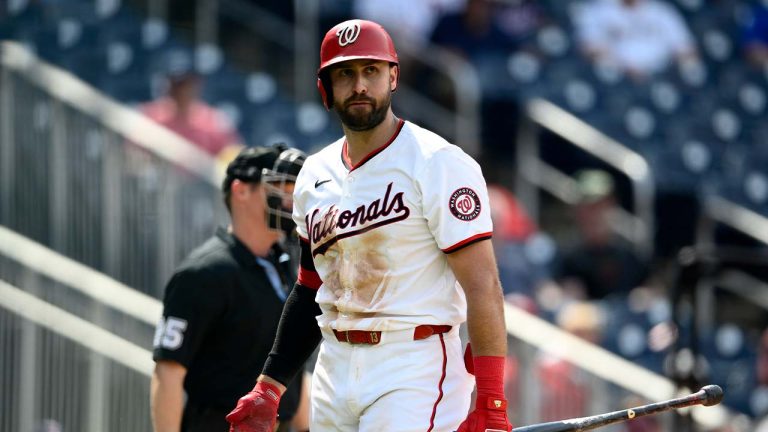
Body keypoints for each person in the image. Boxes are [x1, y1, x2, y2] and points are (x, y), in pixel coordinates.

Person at [226, 19, 513, 432]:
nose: (359, 85)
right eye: (345, 73)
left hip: (412, 363)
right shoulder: (313, 174)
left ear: (393, 77)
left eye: (371, 71)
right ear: (325, 88)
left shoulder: (437, 162)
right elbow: (311, 288)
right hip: (334, 366)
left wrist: (492, 397)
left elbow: (483, 284)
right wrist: (269, 385)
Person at [150, 144, 308, 432]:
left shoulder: (286, 265)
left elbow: (292, 364)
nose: (290, 200)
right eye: (280, 187)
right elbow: (168, 372)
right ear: (241, 190)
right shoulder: (203, 273)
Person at [554, 169, 650, 301]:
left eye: (602, 206)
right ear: (576, 211)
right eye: (589, 207)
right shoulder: (563, 256)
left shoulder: (630, 256)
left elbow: (646, 297)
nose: (595, 215)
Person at [141, 50, 244, 159]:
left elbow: (234, 158)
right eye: (176, 84)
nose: (181, 91)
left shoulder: (214, 121)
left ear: (196, 83)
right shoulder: (150, 117)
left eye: (185, 84)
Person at [571, 0, 699, 81]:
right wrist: (621, 66)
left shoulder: (660, 10)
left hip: (657, 77)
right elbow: (588, 47)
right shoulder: (599, 8)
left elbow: (686, 48)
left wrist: (677, 69)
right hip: (615, 77)